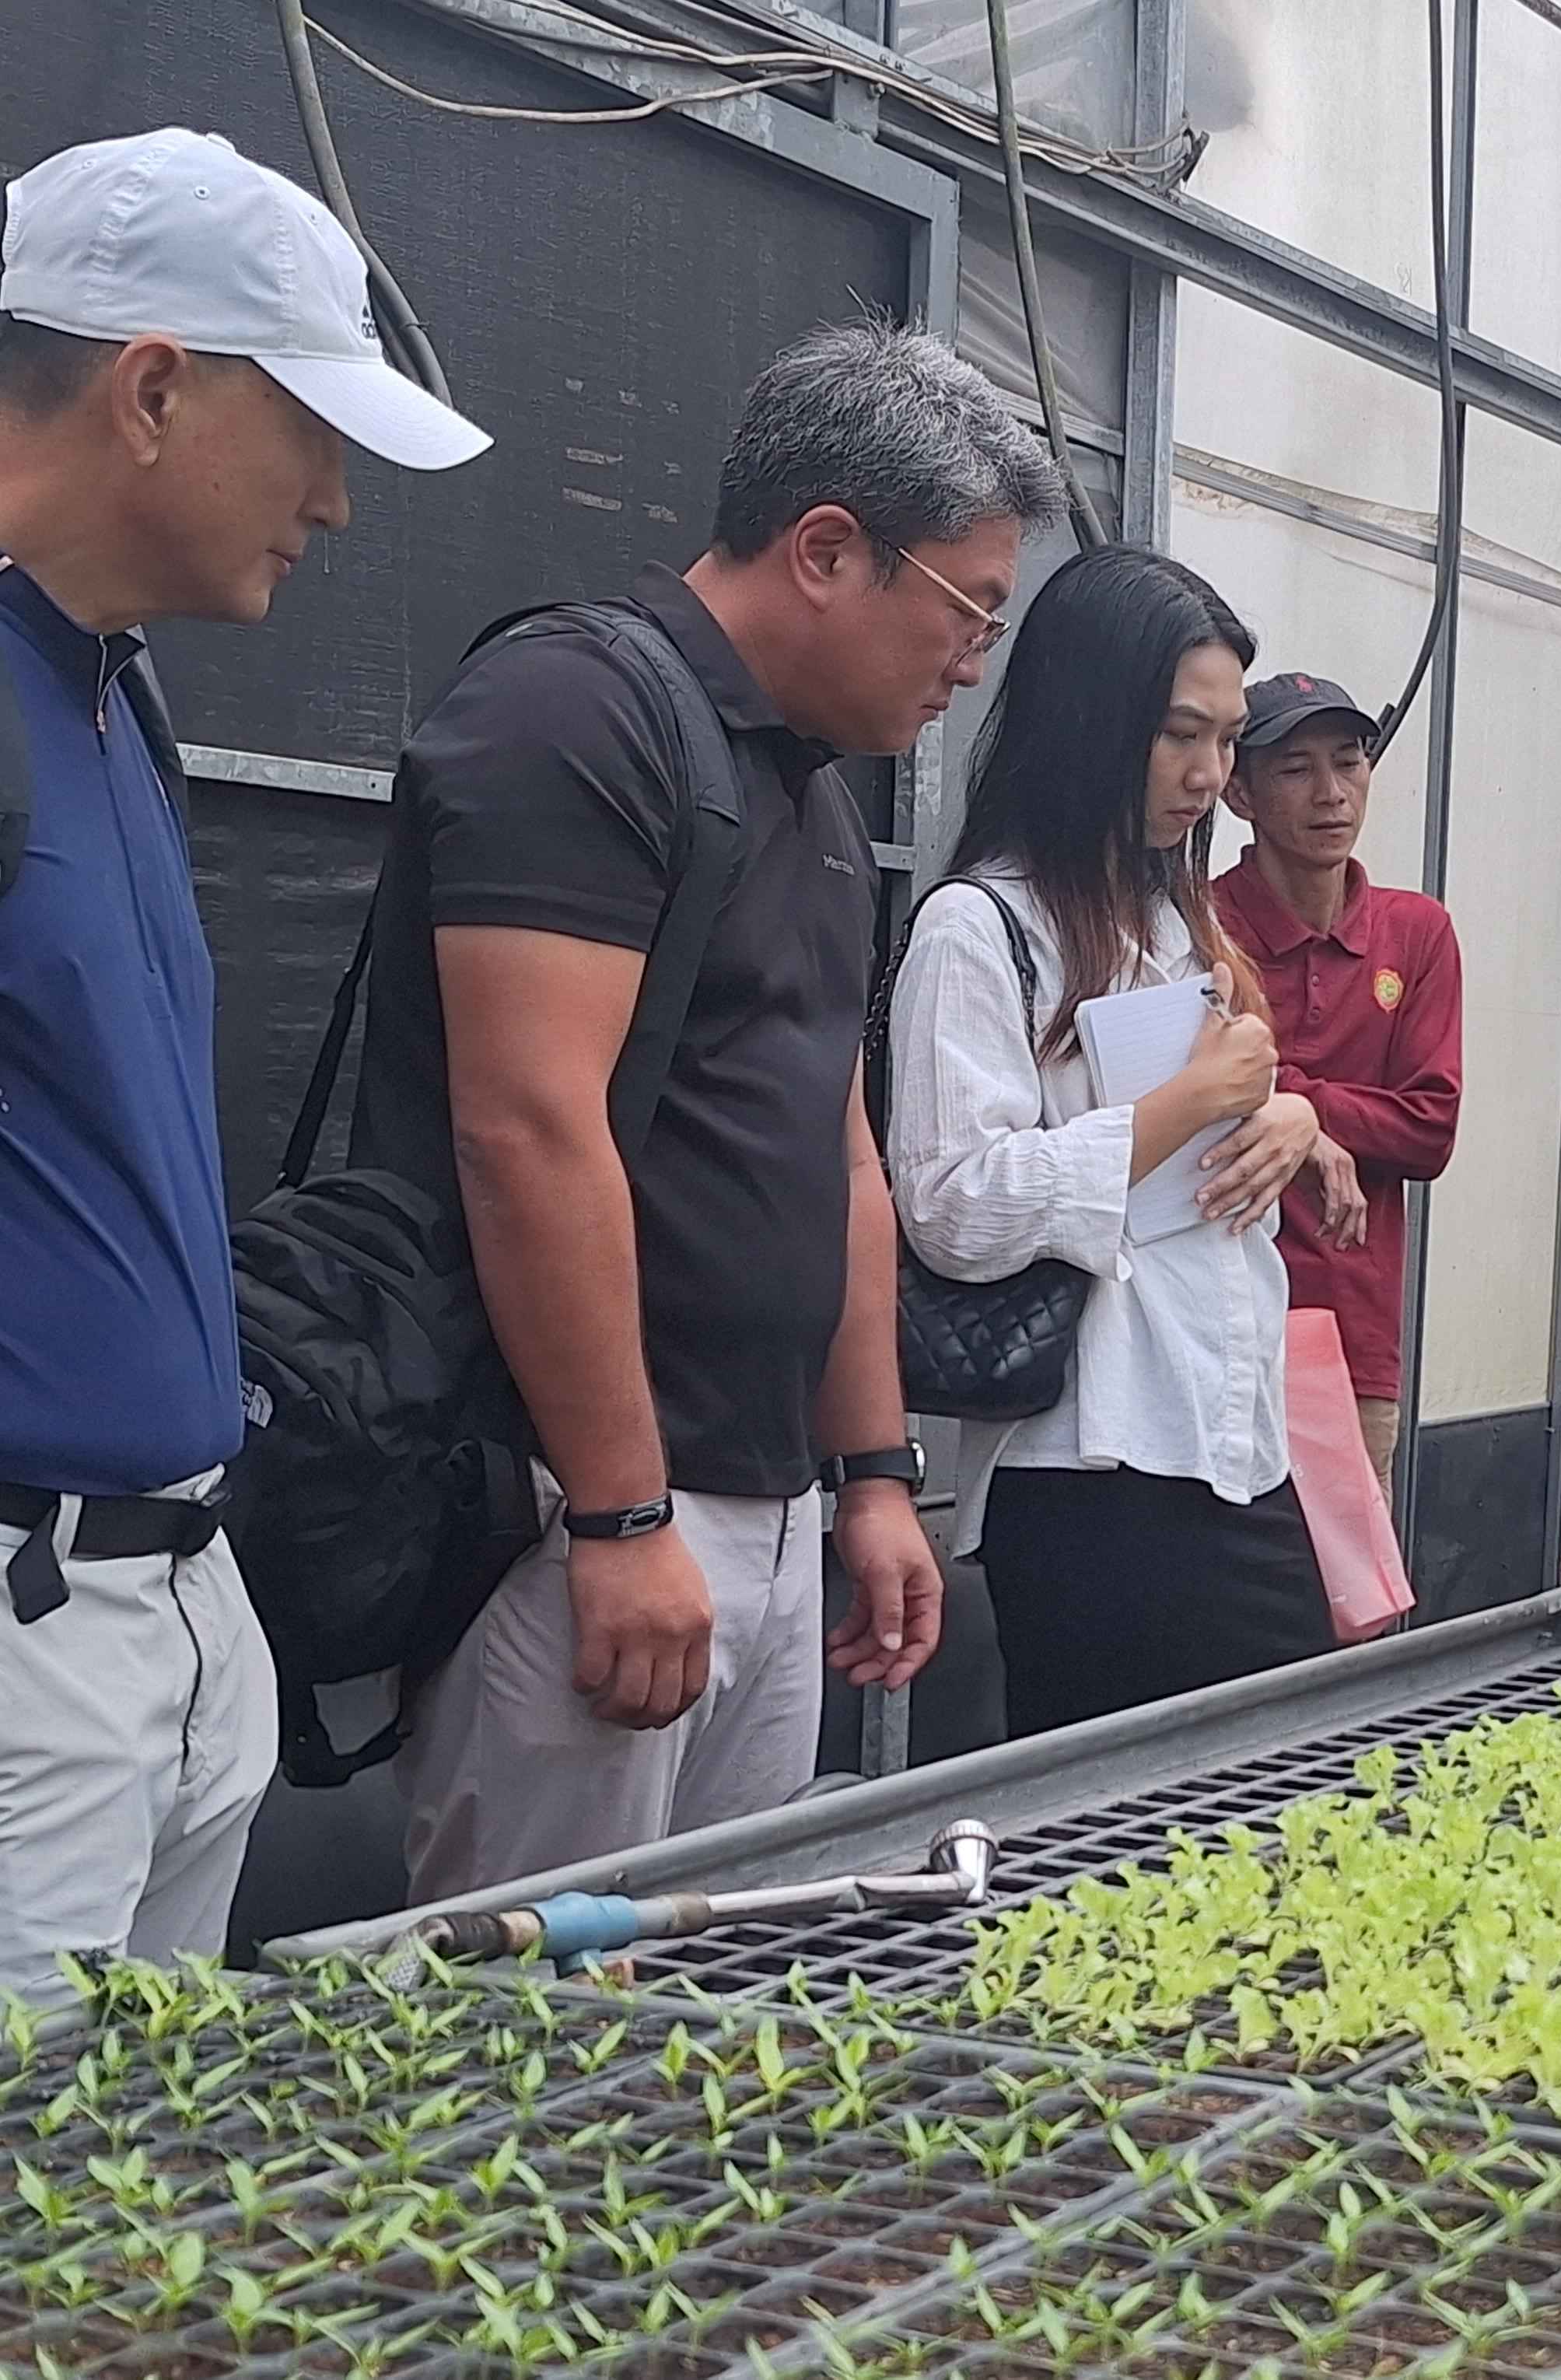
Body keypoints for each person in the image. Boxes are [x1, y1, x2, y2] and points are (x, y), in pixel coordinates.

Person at [352, 321, 1057, 1899]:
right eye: (968, 611)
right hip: (577, 1506)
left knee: (720, 1972)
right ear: (828, 550)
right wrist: (616, 1516)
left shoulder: (814, 793)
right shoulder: (579, 712)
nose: (972, 663)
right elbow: (527, 1126)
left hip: (769, 1499)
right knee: (540, 1998)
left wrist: (873, 1471)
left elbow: (836, 1150)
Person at [0, 128, 489, 1999]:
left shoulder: (110, 690)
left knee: (156, 2162)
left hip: (177, 1602)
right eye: (313, 430)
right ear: (151, 392)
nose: (339, 502)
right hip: (31, 1622)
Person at [891, 547, 1342, 1736]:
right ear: (1091, 722)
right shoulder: (978, 926)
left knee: (1290, 1792)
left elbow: (1211, 1149)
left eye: (1226, 740)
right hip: (1092, 1462)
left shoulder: (1176, 917)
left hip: (1230, 1434)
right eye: (1180, 735)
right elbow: (951, 1205)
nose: (1209, 776)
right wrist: (1184, 1106)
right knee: (1146, 1825)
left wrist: (1282, 1117)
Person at [1213, 671, 1464, 1504]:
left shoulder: (1415, 931)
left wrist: (1288, 1098)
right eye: (1295, 769)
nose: (1331, 794)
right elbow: (1193, 1091)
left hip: (1353, 1330)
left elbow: (1429, 1128)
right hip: (1213, 1325)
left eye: (1350, 762)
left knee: (1349, 1573)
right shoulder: (1197, 924)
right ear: (1240, 794)